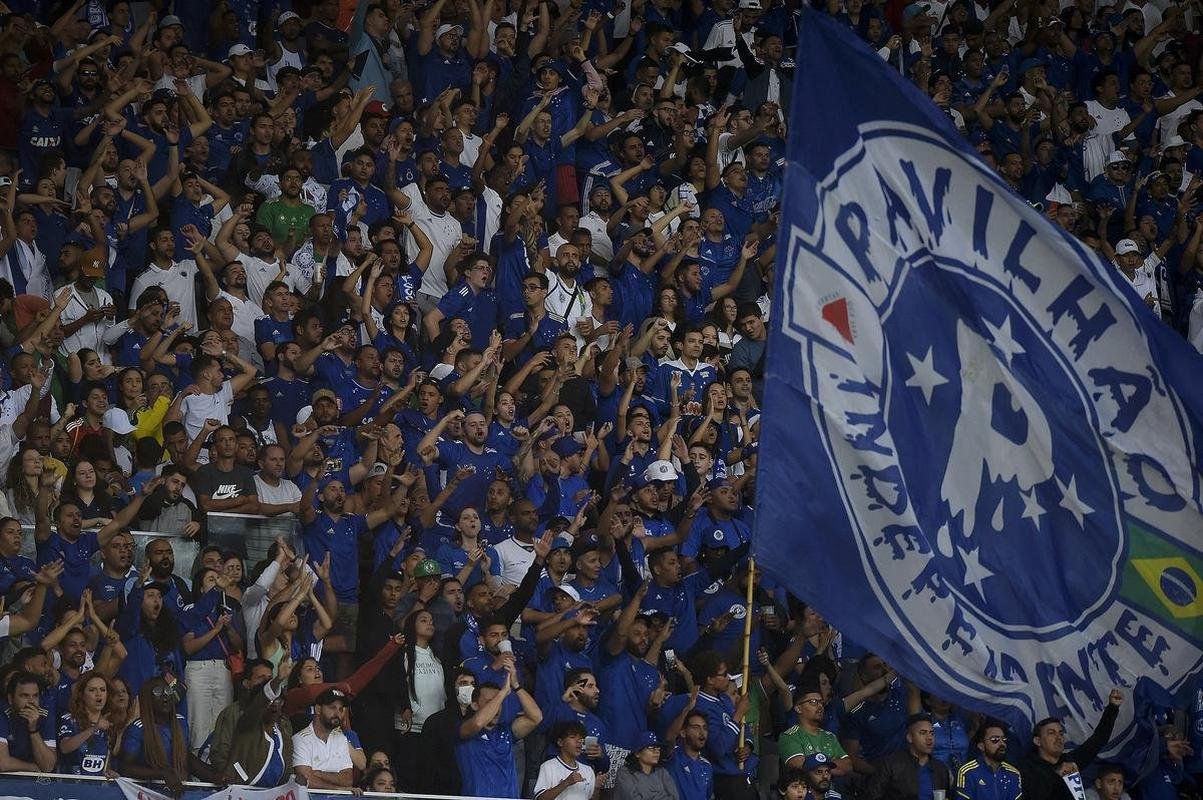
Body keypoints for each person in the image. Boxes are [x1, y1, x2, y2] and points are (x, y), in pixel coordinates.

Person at [1018, 689, 1123, 800]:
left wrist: (1113, 707)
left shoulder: (1069, 760)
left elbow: (1098, 740)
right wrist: (1057, 776)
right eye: (1051, 733)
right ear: (1037, 741)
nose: (1058, 737)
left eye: (1061, 733)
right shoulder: (1027, 768)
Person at [865, 713, 951, 800]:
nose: (929, 738)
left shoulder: (941, 769)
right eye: (923, 733)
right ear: (910, 738)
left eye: (932, 733)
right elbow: (873, 796)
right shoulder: (890, 765)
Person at [291, 687, 356, 789]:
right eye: (332, 707)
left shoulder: (341, 738)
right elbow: (306, 780)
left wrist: (318, 774)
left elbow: (348, 780)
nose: (337, 713)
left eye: (340, 709)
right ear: (318, 709)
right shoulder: (300, 739)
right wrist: (337, 788)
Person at [955, 719, 1022, 800]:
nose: (1002, 743)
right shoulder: (968, 772)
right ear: (981, 746)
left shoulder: (1013, 773)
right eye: (995, 740)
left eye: (1003, 739)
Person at [534, 719, 600, 800]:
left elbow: (592, 798)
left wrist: (596, 788)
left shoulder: (588, 770)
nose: (579, 741)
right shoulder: (548, 767)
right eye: (572, 737)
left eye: (581, 738)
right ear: (560, 742)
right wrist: (566, 783)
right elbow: (540, 798)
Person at [613, 731, 677, 800]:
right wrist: (662, 796)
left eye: (658, 748)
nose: (657, 751)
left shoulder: (662, 772)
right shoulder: (624, 773)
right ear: (637, 753)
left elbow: (674, 797)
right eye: (651, 747)